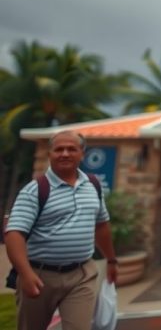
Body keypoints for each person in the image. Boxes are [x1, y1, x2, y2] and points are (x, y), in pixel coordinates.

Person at [4, 131, 118, 330]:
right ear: (50, 154)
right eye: (59, 149)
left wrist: (111, 260)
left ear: (82, 154)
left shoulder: (93, 185)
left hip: (82, 275)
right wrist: (26, 273)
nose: (65, 153)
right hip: (40, 276)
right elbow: (14, 234)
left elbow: (101, 225)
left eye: (71, 149)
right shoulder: (35, 190)